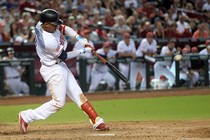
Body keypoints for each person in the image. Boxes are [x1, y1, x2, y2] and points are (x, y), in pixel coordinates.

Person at [18, 9, 109, 134]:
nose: (57, 27)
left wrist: (79, 38)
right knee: (59, 103)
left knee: (78, 94)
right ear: (45, 25)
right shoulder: (47, 41)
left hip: (60, 66)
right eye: (53, 25)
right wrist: (83, 51)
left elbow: (64, 28)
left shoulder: (43, 24)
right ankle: (27, 116)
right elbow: (64, 56)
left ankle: (97, 121)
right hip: (52, 69)